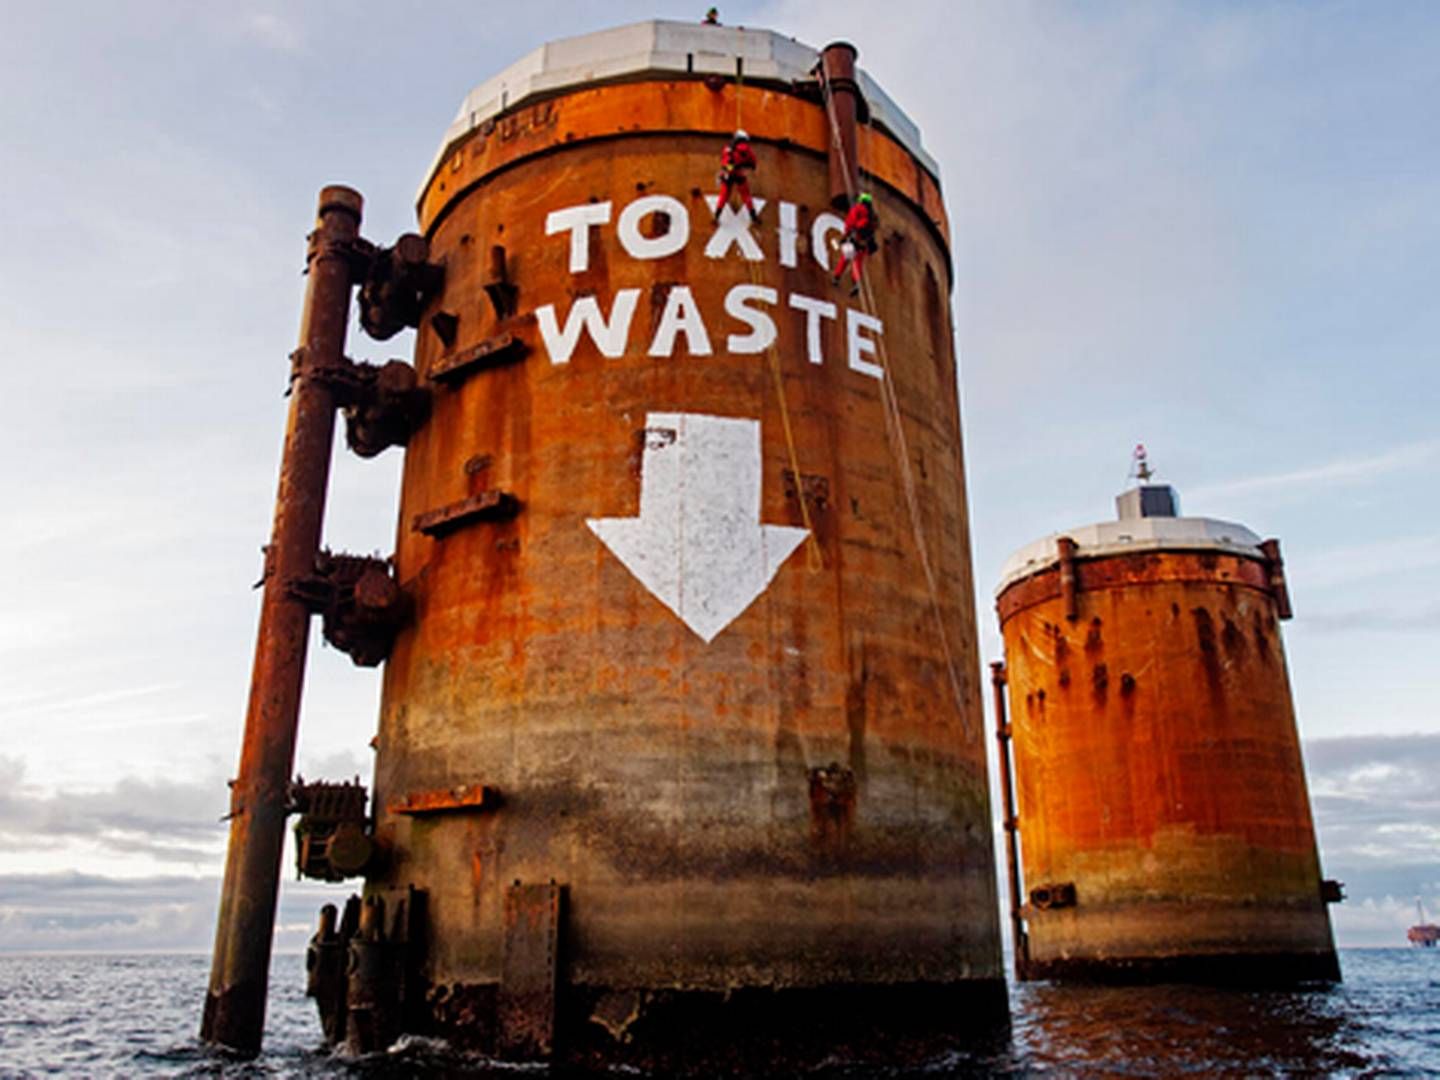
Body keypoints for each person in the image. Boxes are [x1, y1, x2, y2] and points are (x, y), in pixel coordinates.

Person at [832, 192, 877, 296]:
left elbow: (850, 222)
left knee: (845, 259)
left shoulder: (858, 209)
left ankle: (836, 277)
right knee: (857, 264)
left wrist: (844, 236)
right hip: (864, 243)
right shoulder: (872, 216)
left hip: (854, 239)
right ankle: (856, 282)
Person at [715, 129, 759, 224]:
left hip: (729, 174)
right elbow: (753, 162)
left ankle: (717, 215)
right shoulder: (747, 150)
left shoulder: (728, 149)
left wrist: (726, 170)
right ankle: (753, 216)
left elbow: (724, 162)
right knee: (746, 195)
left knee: (724, 195)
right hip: (739, 174)